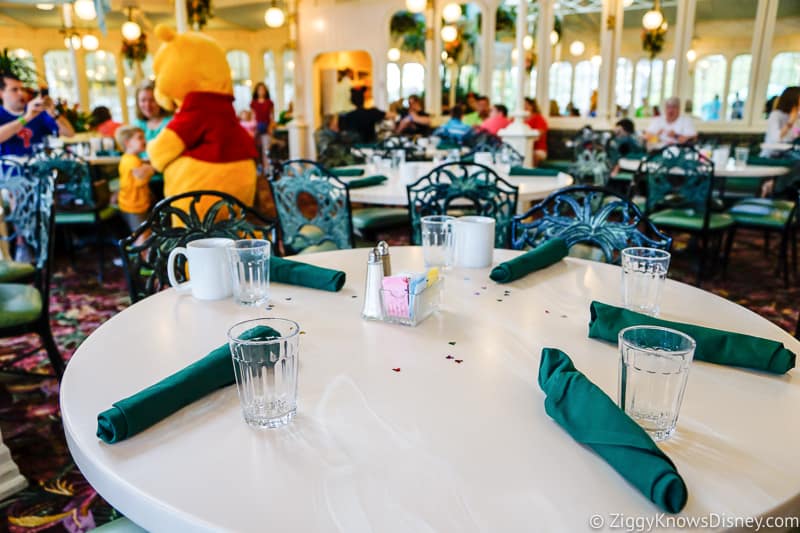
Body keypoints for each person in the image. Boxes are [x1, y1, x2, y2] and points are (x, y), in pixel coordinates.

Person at [0, 75, 74, 156]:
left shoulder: (36, 111)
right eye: (14, 90)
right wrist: (27, 118)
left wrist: (53, 113)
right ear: (1, 93)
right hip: (11, 166)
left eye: (22, 89)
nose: (21, 93)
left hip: (38, 166)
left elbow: (70, 133)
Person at [115, 125, 154, 240]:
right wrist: (151, 168)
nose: (144, 141)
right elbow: (140, 180)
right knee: (142, 235)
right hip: (135, 205)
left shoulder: (128, 158)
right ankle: (137, 257)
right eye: (140, 138)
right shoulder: (133, 162)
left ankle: (139, 255)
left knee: (143, 233)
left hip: (131, 204)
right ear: (128, 143)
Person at [760, 86, 800, 157]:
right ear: (793, 99)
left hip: (788, 153)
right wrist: (790, 122)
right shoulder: (775, 115)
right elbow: (776, 139)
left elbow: (795, 134)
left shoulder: (796, 116)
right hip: (771, 155)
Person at [524, 97, 548, 165]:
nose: (524, 107)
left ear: (532, 106)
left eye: (527, 104)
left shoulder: (539, 118)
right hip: (524, 149)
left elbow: (540, 134)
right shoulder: (516, 120)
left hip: (538, 150)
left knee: (531, 156)